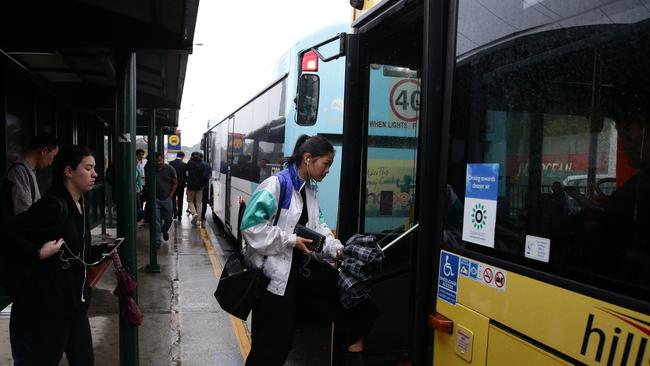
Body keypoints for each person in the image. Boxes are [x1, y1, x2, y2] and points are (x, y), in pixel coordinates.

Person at [242, 135, 377, 366]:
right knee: (272, 344)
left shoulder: (310, 191)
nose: (327, 171)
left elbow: (319, 228)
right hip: (273, 281)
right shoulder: (277, 185)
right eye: (325, 164)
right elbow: (251, 227)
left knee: (357, 309)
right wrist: (291, 240)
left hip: (301, 275)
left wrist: (337, 249)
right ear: (308, 159)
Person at [6, 145, 108, 365]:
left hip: (75, 306)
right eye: (88, 168)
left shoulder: (80, 204)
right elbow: (10, 234)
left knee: (84, 360)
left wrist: (104, 250)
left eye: (94, 168)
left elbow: (77, 251)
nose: (95, 174)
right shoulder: (53, 206)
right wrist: (37, 253)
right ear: (69, 172)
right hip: (48, 311)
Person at [4, 133, 59, 216]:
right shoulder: (20, 171)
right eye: (53, 156)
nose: (51, 162)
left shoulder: (29, 171)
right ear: (44, 151)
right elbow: (24, 212)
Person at [149, 152, 177, 246]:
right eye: (156, 161)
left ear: (163, 159)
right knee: (156, 220)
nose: (158, 163)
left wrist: (170, 196)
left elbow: (175, 182)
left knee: (168, 219)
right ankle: (157, 239)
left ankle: (164, 231)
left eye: (160, 160)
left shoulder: (170, 169)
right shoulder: (151, 169)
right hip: (155, 199)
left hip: (167, 199)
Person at [186, 152, 208, 225]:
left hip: (191, 186)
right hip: (199, 187)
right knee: (199, 203)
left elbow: (186, 173)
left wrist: (187, 181)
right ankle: (198, 220)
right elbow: (205, 176)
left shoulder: (189, 163)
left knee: (190, 201)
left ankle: (194, 213)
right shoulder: (203, 165)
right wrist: (203, 185)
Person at [169, 151, 187, 220]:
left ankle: (174, 213)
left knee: (173, 199)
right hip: (181, 185)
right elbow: (186, 175)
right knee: (180, 199)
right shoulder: (184, 165)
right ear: (182, 157)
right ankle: (180, 215)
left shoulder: (171, 163)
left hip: (173, 184)